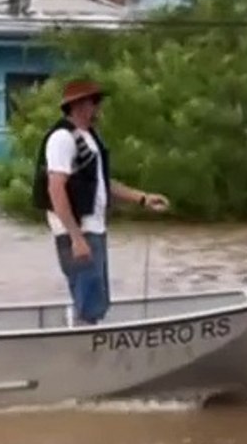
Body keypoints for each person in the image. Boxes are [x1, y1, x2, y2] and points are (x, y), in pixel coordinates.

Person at [30, 79, 171, 326]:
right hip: (78, 232)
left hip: (94, 229)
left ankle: (87, 339)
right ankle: (83, 351)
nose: (99, 108)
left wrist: (142, 198)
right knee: (88, 300)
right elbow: (56, 188)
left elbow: (102, 183)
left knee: (97, 299)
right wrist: (76, 237)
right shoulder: (62, 138)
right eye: (95, 102)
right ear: (80, 106)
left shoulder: (89, 138)